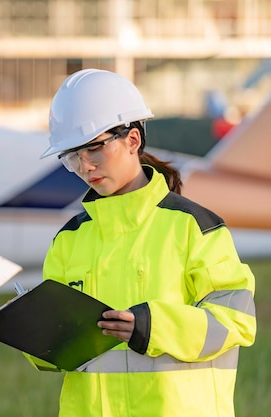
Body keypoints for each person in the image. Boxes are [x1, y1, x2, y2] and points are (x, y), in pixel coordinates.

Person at [24, 69, 257, 417]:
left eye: (93, 149)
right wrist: (32, 333)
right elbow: (56, 352)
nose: (85, 166)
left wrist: (153, 327)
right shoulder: (69, 239)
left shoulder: (194, 228)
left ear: (132, 139)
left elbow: (236, 321)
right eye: (72, 157)